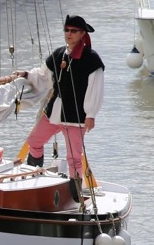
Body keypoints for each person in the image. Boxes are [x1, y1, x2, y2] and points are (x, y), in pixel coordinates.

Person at [13, 15, 104, 198]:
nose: (69, 34)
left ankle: (76, 197)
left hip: (76, 116)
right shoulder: (59, 54)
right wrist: (26, 75)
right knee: (34, 141)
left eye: (73, 31)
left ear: (82, 34)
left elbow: (96, 89)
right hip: (54, 112)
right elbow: (42, 76)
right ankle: (34, 179)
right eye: (66, 30)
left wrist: (91, 115)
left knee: (74, 158)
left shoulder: (91, 59)